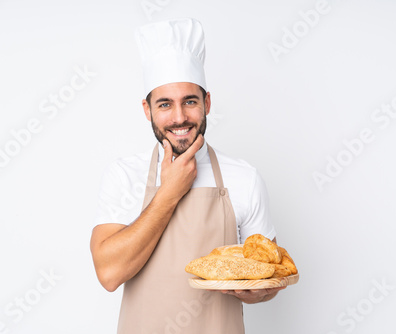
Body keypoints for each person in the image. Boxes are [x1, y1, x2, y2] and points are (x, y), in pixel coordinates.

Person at [90, 18, 285, 333]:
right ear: (147, 110)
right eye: (165, 104)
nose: (179, 117)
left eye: (190, 102)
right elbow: (109, 274)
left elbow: (270, 272)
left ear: (207, 103)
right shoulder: (124, 175)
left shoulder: (244, 178)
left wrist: (261, 292)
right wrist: (169, 192)